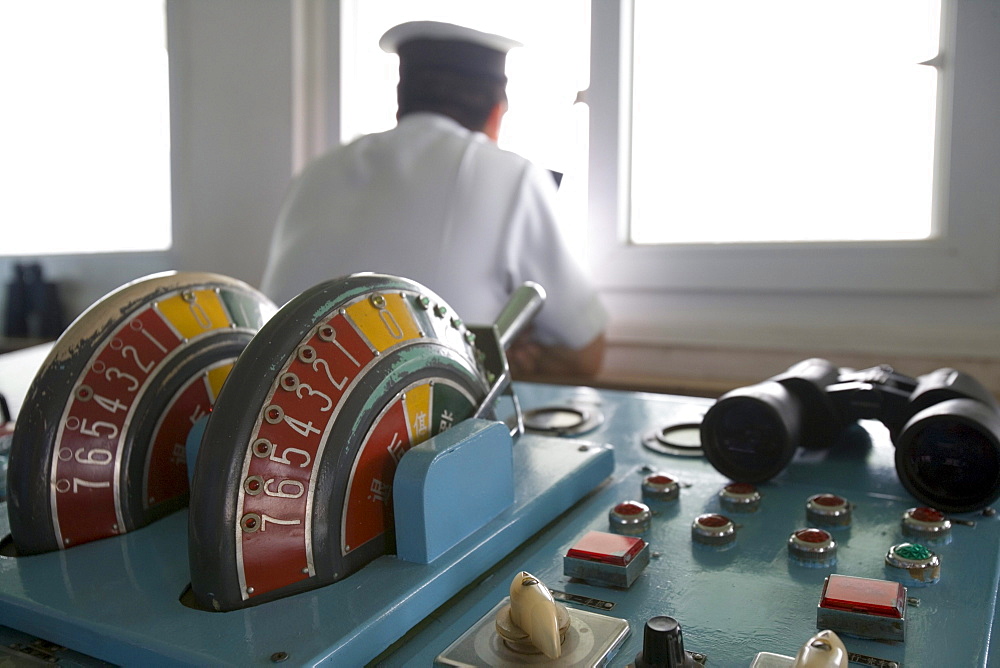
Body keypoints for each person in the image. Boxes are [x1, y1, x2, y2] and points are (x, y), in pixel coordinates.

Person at [260, 21, 607, 378]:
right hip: (421, 425)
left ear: (402, 106)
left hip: (287, 417)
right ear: (495, 113)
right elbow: (587, 355)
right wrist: (495, 353)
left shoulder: (314, 174)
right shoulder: (512, 174)